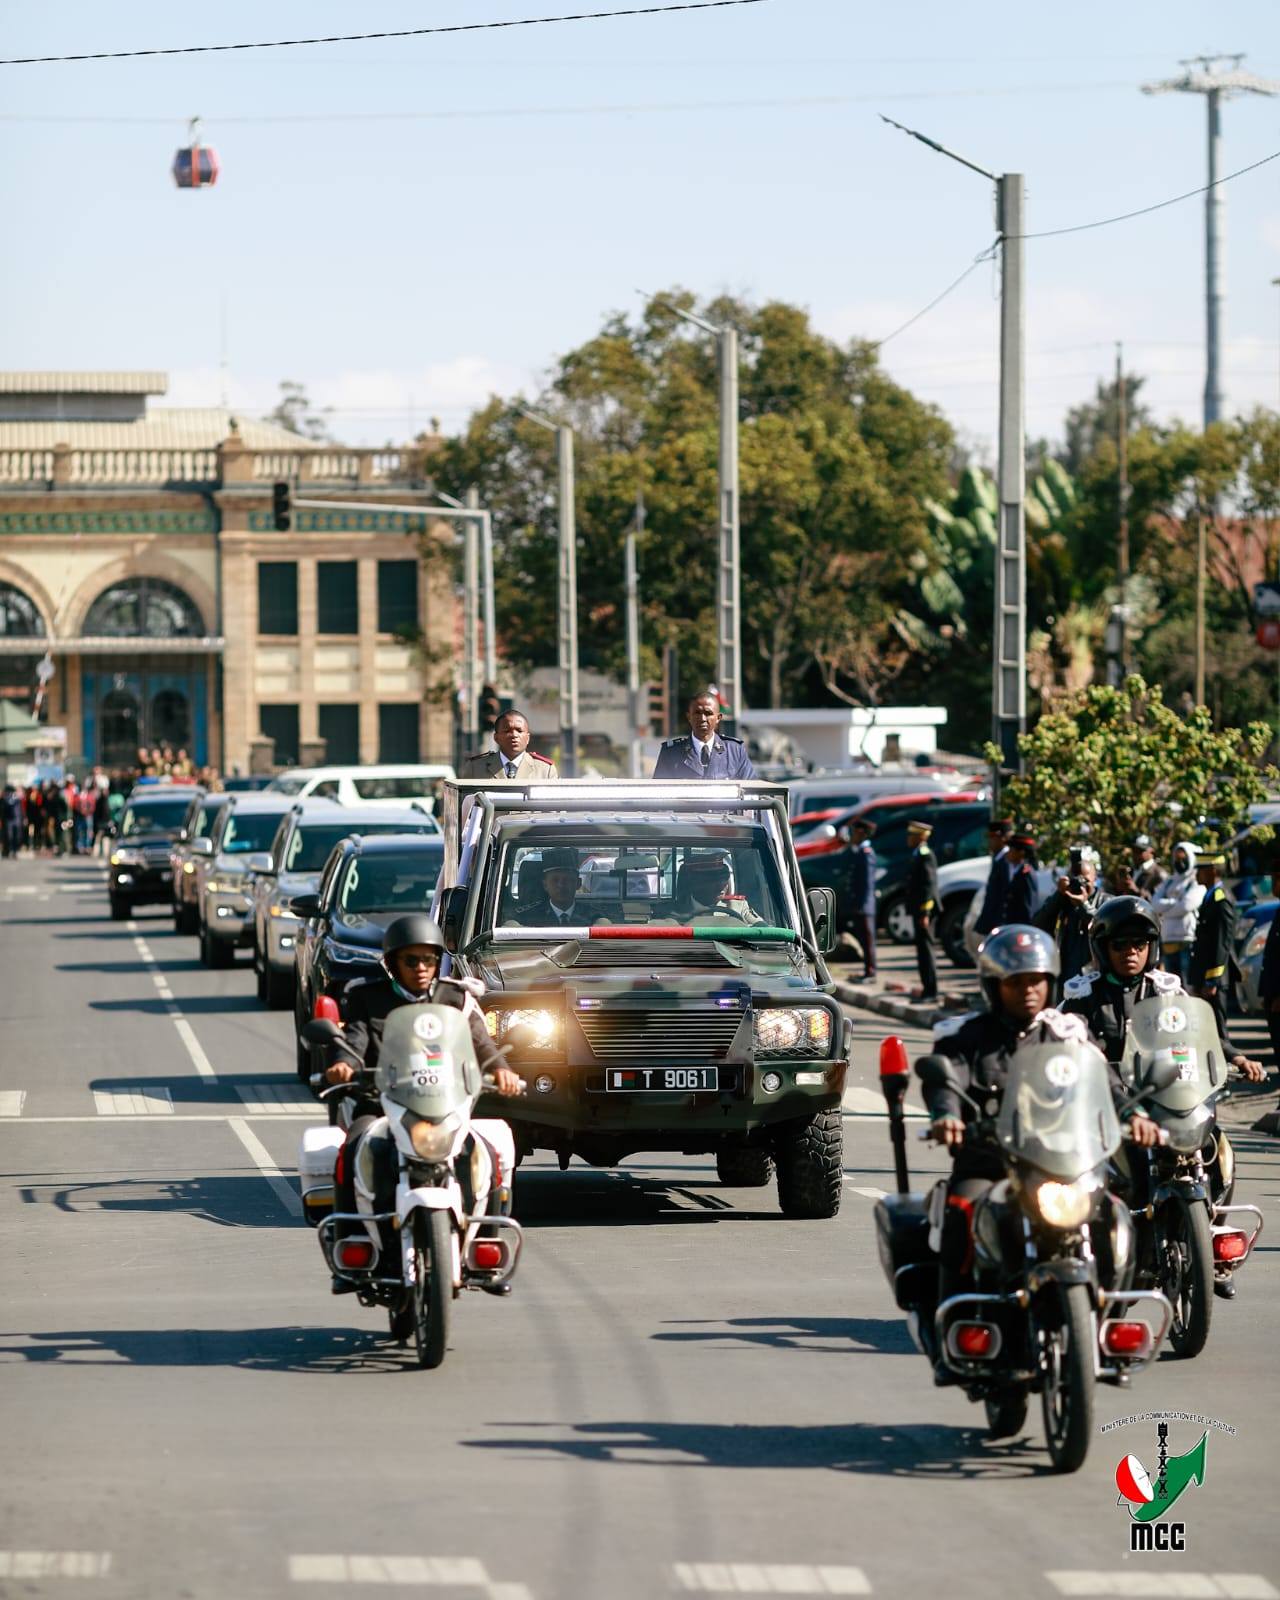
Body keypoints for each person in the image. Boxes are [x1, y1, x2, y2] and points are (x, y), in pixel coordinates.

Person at [323, 914, 522, 1292]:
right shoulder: (367, 997)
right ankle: (351, 1242)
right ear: (392, 963)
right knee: (353, 1145)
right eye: (410, 960)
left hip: (443, 1107)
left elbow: (481, 1043)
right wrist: (344, 1065)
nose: (420, 968)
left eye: (428, 959)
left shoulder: (455, 998)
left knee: (488, 1150)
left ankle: (485, 1241)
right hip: (382, 1105)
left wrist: (502, 1070)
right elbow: (354, 1040)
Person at [922, 925, 1098, 1318]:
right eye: (1015, 982)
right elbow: (946, 1080)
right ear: (994, 986)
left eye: (1035, 980)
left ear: (1050, 982)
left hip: (1059, 1165)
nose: (1027, 990)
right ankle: (954, 1318)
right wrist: (947, 1115)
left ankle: (1109, 1303)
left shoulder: (1067, 1035)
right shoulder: (966, 1036)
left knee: (1112, 1212)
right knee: (961, 1211)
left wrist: (1134, 1114)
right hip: (990, 1163)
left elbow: (1104, 1080)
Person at [1187, 849, 1240, 1057]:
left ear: (1212, 871)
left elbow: (1221, 943)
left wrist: (1212, 980)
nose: (1196, 874)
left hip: (1214, 978)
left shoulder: (1221, 899)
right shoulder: (1210, 896)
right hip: (1205, 975)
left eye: (1200, 869)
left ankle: (1226, 1067)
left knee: (1218, 1030)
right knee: (1207, 1029)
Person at [1033, 845, 1104, 990]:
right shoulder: (1063, 901)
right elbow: (1038, 926)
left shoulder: (1106, 902)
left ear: (1095, 878)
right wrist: (1058, 896)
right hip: (1065, 975)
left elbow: (1103, 927)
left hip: (1095, 976)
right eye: (1075, 879)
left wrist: (1084, 906)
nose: (1080, 884)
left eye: (1085, 880)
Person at [651, 690, 755, 779]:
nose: (702, 719)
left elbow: (751, 789)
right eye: (697, 713)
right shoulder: (671, 753)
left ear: (718, 718)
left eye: (708, 713)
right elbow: (658, 792)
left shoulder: (735, 751)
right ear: (689, 717)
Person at [1151, 841, 1203, 983]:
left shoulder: (1195, 881)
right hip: (1168, 940)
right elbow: (1155, 904)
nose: (1180, 862)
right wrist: (1175, 902)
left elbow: (1186, 906)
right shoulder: (1169, 881)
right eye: (1177, 858)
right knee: (1171, 984)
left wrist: (1165, 910)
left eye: (1183, 858)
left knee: (1187, 982)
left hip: (1187, 940)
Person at [666, 851, 762, 926]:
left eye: (724, 877)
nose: (721, 885)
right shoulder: (671, 913)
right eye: (711, 880)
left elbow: (762, 929)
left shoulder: (738, 907)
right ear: (693, 883)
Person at [460, 710, 558, 781]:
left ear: (527, 738)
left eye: (519, 731)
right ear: (496, 738)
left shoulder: (545, 770)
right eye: (507, 731)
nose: (514, 735)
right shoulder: (475, 768)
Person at [905, 820, 939, 1001]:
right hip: (918, 910)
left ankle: (931, 991)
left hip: (924, 911)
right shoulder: (917, 854)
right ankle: (927, 989)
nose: (908, 839)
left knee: (926, 952)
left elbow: (928, 886)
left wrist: (925, 913)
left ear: (920, 837)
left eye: (911, 835)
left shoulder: (926, 855)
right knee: (921, 951)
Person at [842, 816, 878, 979]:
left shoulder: (866, 854)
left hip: (864, 906)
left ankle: (870, 972)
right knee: (864, 939)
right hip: (860, 904)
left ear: (862, 833)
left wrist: (862, 905)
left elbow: (867, 883)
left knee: (868, 940)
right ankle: (867, 970)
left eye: (855, 833)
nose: (852, 836)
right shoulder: (858, 852)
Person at [513, 848, 585, 927]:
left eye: (567, 879)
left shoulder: (592, 916)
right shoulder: (526, 917)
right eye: (555, 880)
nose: (561, 885)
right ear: (545, 885)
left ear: (578, 883)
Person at [972, 817, 1013, 938]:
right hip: (993, 922)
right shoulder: (998, 858)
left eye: (992, 837)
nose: (989, 841)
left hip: (1000, 922)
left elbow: (1006, 895)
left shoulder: (1006, 861)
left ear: (1003, 838)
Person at [1000, 827, 1041, 924]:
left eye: (1011, 849)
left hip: (1020, 926)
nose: (1008, 853)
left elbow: (1027, 908)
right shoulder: (1017, 871)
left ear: (1021, 852)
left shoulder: (1026, 874)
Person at [1130, 835, 1167, 899]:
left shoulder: (1159, 874)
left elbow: (1158, 901)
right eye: (1134, 850)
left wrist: (1136, 891)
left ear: (1152, 852)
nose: (1135, 854)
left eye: (1140, 851)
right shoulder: (1132, 870)